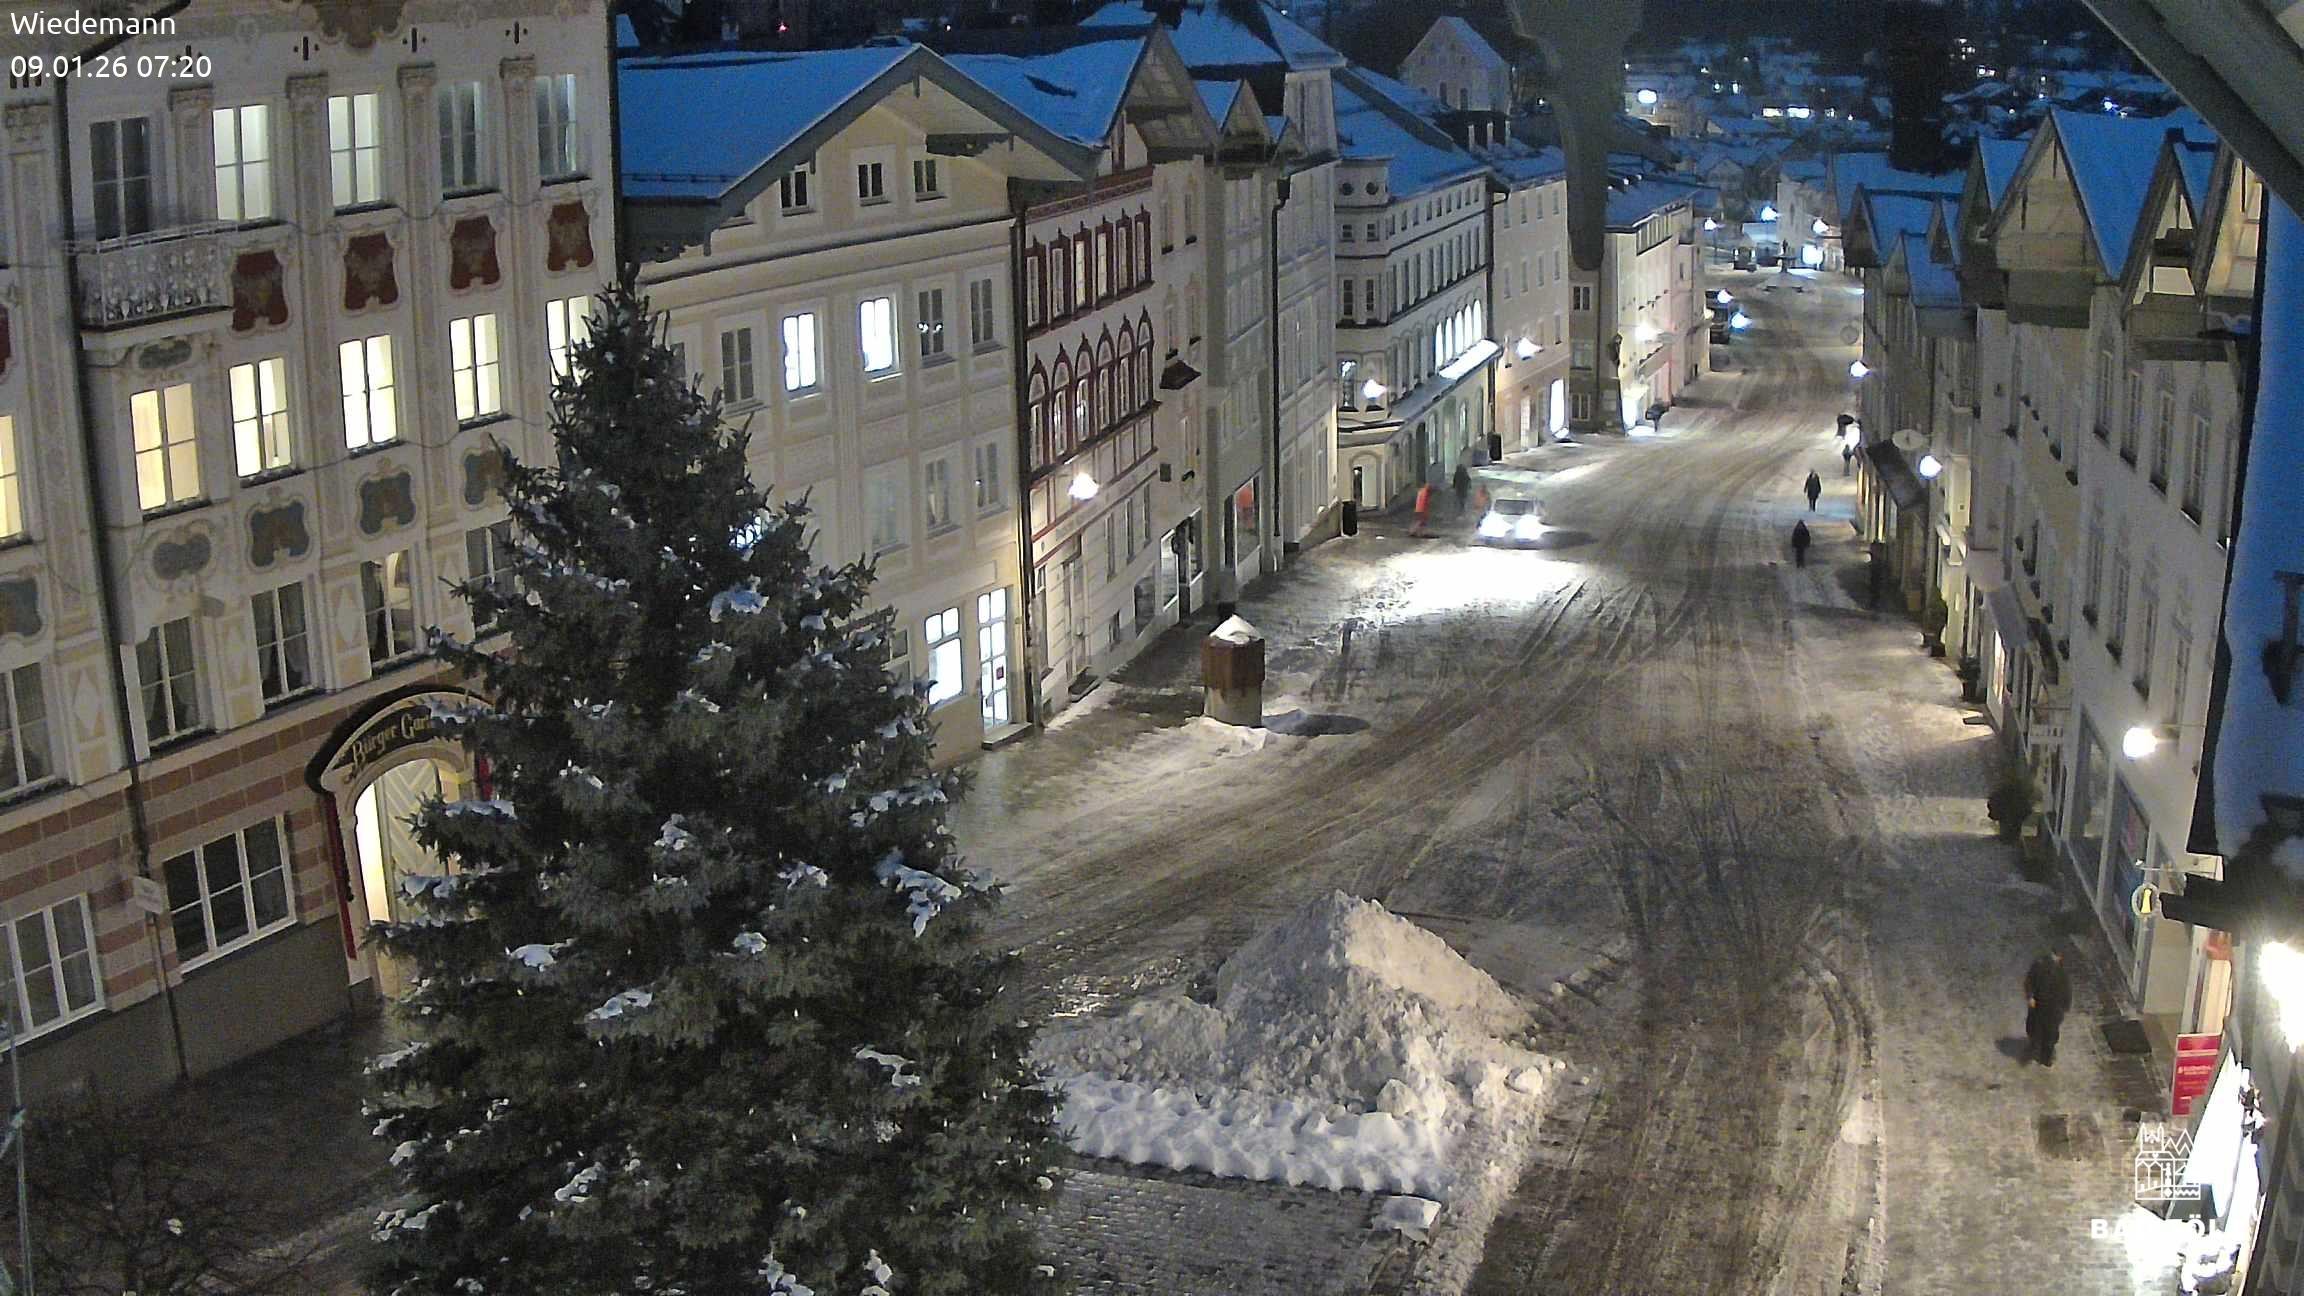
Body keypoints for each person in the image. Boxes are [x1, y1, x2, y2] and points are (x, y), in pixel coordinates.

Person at [2025, 950, 2073, 1066]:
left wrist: (2065, 1006)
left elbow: (2066, 990)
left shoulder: (2062, 972)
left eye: (2056, 957)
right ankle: (2034, 1044)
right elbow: (2029, 981)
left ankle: (2046, 1057)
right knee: (2034, 1027)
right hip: (2039, 1004)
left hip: (2053, 1007)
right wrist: (2030, 996)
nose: (2055, 959)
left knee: (2050, 1033)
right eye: (2053, 956)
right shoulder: (2039, 965)